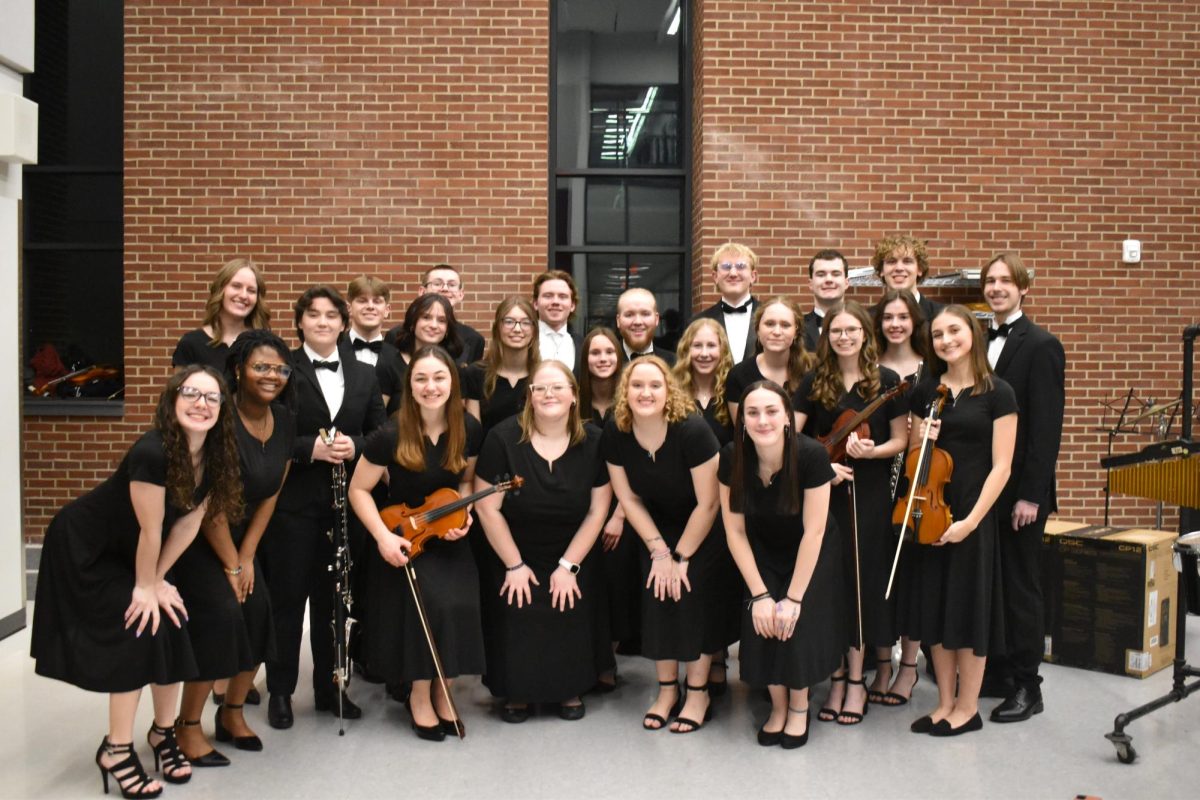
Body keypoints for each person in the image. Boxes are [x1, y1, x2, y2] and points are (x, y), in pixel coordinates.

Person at [31, 366, 244, 797]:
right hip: (88, 547)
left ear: (223, 410)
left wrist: (159, 580)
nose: (201, 404)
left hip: (132, 553)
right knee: (139, 628)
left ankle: (162, 734)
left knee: (174, 618)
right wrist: (146, 587)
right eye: (191, 394)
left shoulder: (215, 457)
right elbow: (151, 529)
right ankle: (116, 749)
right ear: (172, 400)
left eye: (211, 398)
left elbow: (185, 527)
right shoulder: (153, 451)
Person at [259, 286, 386, 730]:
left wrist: (359, 446)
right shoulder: (282, 371)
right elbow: (265, 435)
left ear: (343, 322)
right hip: (293, 506)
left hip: (344, 509)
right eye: (314, 315)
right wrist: (306, 448)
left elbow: (382, 434)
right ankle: (280, 691)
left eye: (332, 316)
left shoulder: (365, 376)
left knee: (335, 604)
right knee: (288, 600)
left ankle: (332, 688)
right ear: (300, 323)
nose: (323, 323)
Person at [171, 332, 296, 765]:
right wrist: (231, 563)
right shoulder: (220, 418)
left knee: (260, 614)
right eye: (262, 367)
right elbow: (210, 502)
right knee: (223, 617)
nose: (272, 376)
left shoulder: (285, 418)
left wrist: (247, 556)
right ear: (239, 369)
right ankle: (187, 727)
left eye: (281, 369)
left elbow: (273, 491)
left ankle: (232, 714)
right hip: (198, 537)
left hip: (244, 541)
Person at [348, 345, 485, 742]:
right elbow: (359, 490)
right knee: (431, 604)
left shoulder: (469, 428)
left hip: (448, 535)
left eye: (439, 378)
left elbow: (464, 482)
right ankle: (419, 695)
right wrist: (382, 538)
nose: (431, 386)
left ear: (453, 383)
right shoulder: (390, 432)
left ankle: (445, 691)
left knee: (459, 604)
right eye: (421, 378)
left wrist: (465, 514)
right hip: (403, 536)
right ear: (410, 385)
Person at [474, 360, 615, 721]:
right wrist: (514, 565)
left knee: (568, 599)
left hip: (573, 548)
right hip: (513, 546)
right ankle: (517, 691)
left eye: (558, 387)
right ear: (529, 397)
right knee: (519, 600)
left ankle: (569, 687)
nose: (549, 394)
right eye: (540, 388)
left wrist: (569, 566)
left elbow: (598, 512)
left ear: (573, 395)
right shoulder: (502, 439)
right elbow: (488, 510)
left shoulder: (596, 440)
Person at [901, 305, 1017, 737]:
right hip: (932, 511)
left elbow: (1002, 467)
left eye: (954, 331)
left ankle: (968, 707)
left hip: (972, 513)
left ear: (972, 333)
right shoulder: (926, 391)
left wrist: (970, 522)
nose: (946, 340)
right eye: (937, 335)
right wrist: (923, 437)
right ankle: (944, 702)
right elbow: (912, 457)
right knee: (936, 609)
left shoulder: (998, 392)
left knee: (967, 613)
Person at [793, 301, 907, 726]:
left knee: (861, 582)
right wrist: (822, 465)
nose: (844, 337)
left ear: (865, 334)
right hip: (827, 491)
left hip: (870, 490)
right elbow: (793, 434)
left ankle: (857, 680)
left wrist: (872, 450)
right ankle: (836, 677)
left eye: (851, 330)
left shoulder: (888, 381)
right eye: (836, 331)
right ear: (827, 337)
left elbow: (899, 441)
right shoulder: (813, 380)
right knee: (832, 583)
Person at [720, 381, 845, 749]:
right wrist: (759, 595)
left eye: (772, 411)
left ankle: (799, 707)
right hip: (761, 547)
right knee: (761, 625)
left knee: (794, 625)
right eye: (753, 413)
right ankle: (777, 705)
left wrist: (792, 598)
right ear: (741, 420)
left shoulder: (810, 455)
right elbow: (735, 532)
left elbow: (815, 531)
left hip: (811, 549)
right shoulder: (732, 456)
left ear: (788, 417)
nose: (763, 420)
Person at [602, 357, 723, 733]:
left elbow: (710, 502)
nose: (645, 393)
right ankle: (667, 691)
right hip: (653, 526)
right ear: (625, 391)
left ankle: (698, 692)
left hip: (701, 526)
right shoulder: (616, 430)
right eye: (636, 385)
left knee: (689, 597)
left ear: (668, 390)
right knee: (658, 598)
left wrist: (681, 555)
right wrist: (659, 551)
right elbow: (629, 498)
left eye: (655, 385)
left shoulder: (692, 430)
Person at [980, 253, 1065, 723]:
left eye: (1005, 282)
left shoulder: (1042, 345)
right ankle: (997, 672)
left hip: (1020, 494)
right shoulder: (975, 339)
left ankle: (1029, 685)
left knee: (1019, 586)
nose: (996, 288)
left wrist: (1031, 494)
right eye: (990, 281)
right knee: (990, 582)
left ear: (1023, 288)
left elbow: (1046, 429)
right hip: (984, 488)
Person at [672, 317, 741, 693]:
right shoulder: (674, 391)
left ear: (723, 350)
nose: (703, 353)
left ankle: (717, 655)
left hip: (726, 506)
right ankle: (695, 657)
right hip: (687, 504)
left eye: (711, 346)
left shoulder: (732, 391)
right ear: (686, 350)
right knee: (692, 586)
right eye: (696, 346)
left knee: (718, 587)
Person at [869, 287, 930, 707]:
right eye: (887, 317)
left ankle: (908, 666)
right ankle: (881, 663)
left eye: (902, 317)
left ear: (914, 322)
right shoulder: (870, 368)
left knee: (910, 573)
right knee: (877, 573)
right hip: (877, 474)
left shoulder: (932, 369)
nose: (895, 324)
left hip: (917, 476)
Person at [725, 298, 814, 423]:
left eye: (785, 325)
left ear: (796, 332)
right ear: (757, 329)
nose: (777, 332)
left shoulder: (812, 372)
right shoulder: (738, 375)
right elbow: (742, 434)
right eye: (770, 324)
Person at [172, 258, 271, 371]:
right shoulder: (191, 344)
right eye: (236, 286)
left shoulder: (266, 345)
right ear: (220, 290)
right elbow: (179, 388)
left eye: (251, 290)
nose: (244, 295)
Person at [462, 297, 538, 439]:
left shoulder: (543, 376)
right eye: (509, 322)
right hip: (488, 457)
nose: (517, 329)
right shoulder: (475, 374)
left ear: (534, 330)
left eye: (525, 323)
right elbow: (475, 434)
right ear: (497, 328)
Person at [379, 294, 464, 414]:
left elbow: (458, 414)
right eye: (426, 317)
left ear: (447, 329)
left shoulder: (455, 369)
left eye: (441, 320)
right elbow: (377, 418)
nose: (434, 325)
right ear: (413, 323)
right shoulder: (389, 365)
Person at [693, 242, 760, 364]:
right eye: (726, 266)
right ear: (715, 277)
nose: (733, 273)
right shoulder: (696, 322)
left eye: (741, 266)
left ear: (753, 276)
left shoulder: (770, 318)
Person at [404, 263, 486, 363]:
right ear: (422, 291)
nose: (445, 289)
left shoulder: (474, 340)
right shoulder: (396, 335)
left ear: (461, 294)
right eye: (437, 284)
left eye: (452, 285)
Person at [870, 235, 942, 323]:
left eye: (907, 261)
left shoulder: (941, 315)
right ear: (882, 270)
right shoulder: (868, 319)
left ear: (920, 269)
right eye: (891, 261)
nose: (899, 268)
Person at [802, 250, 850, 351]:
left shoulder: (864, 326)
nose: (828, 279)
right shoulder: (796, 327)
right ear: (810, 284)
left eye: (836, 274)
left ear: (846, 283)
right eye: (821, 274)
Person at [577, 327, 625, 427]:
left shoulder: (631, 402)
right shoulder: (573, 403)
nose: (603, 359)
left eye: (609, 352)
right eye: (595, 353)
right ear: (585, 358)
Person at [344, 275, 396, 368]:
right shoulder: (332, 349)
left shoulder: (397, 357)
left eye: (377, 301)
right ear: (349, 308)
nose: (370, 306)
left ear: (387, 310)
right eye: (362, 301)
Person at [615, 288, 676, 365]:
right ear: (618, 320)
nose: (638, 322)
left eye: (645, 314)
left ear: (656, 319)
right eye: (629, 315)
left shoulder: (675, 363)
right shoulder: (606, 363)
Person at [534, 270, 580, 370]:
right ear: (536, 303)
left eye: (562, 297)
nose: (555, 301)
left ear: (572, 305)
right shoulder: (523, 342)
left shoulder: (583, 345)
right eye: (548, 296)